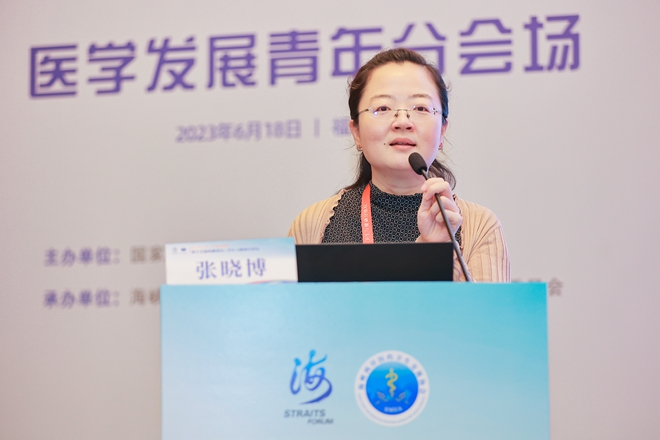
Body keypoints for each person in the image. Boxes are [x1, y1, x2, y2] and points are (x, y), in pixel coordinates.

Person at [288, 48, 509, 282]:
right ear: (356, 132)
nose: (403, 122)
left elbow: (487, 308)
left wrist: (437, 252)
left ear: (442, 130)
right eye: (382, 108)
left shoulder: (480, 227)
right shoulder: (312, 224)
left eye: (421, 108)